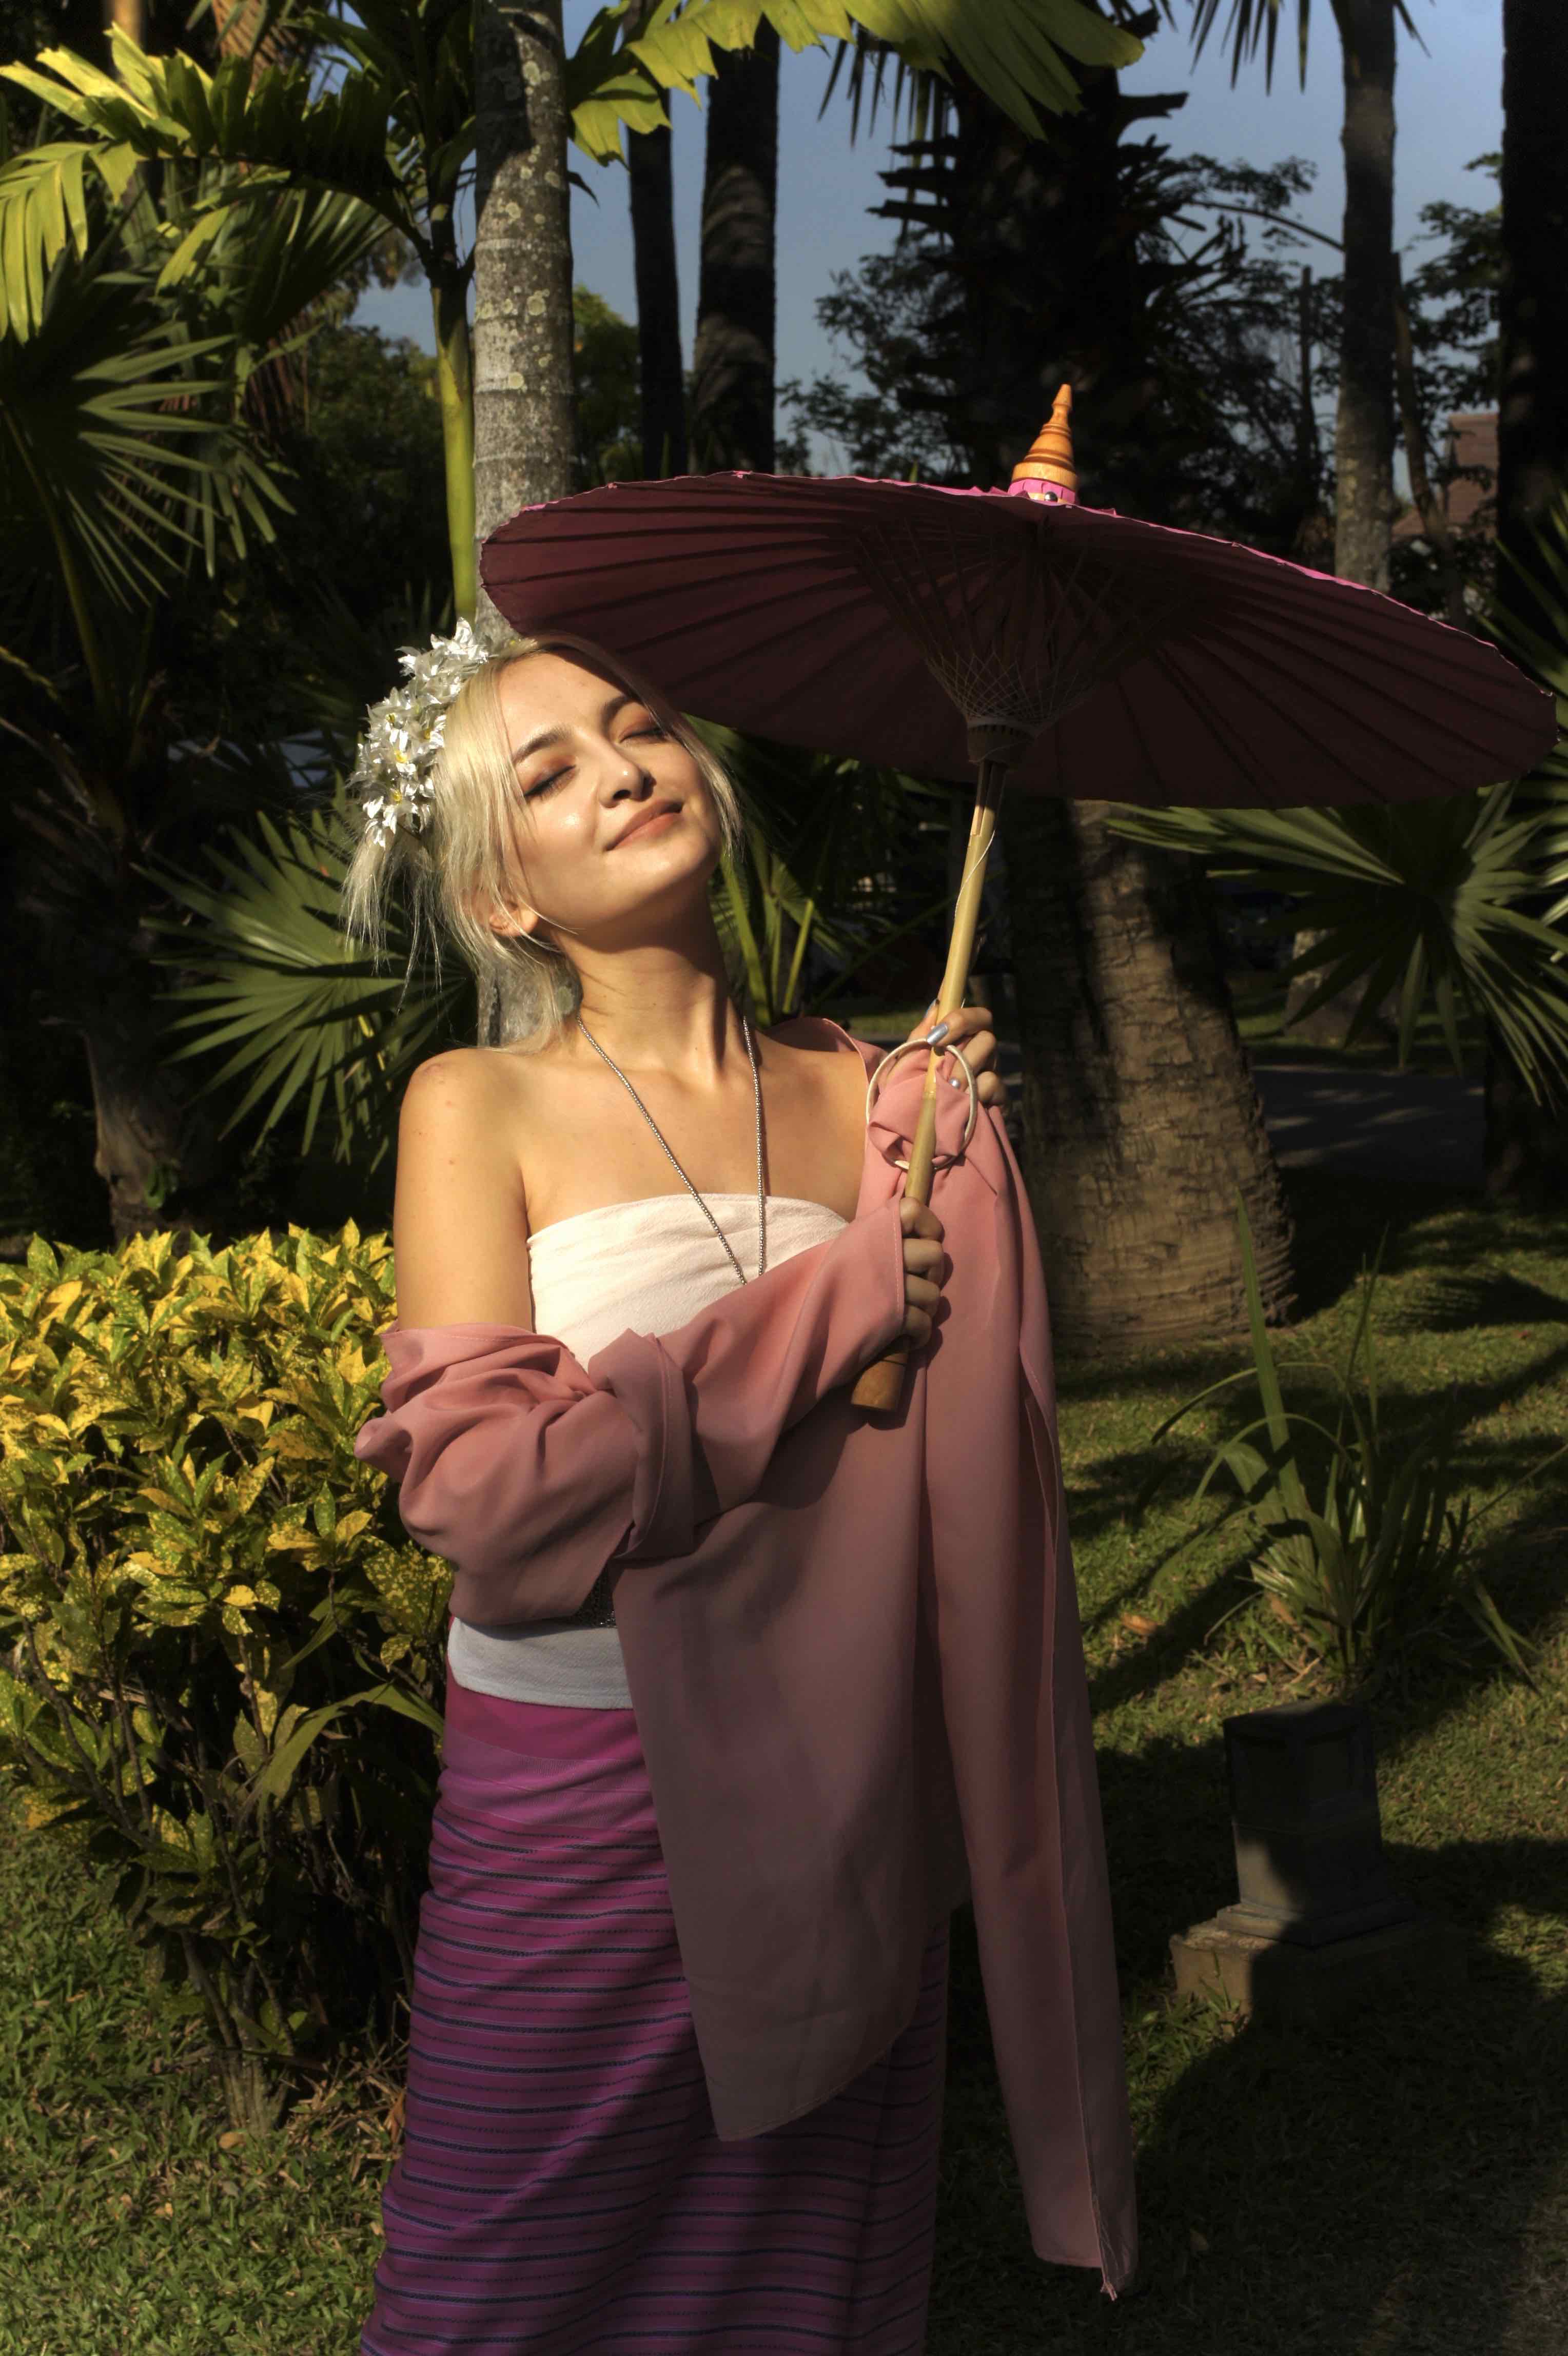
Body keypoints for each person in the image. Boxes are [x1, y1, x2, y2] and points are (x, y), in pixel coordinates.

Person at [343, 619, 1016, 2355]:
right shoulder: (473, 1104)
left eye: (639, 728)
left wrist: (968, 1172)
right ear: (506, 898)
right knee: (496, 2287)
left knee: (816, 2273)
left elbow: (959, 1447)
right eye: (551, 774)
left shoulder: (879, 1091)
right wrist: (840, 1300)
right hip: (582, 1791)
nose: (626, 767)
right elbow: (495, 1505)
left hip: (840, 1761)